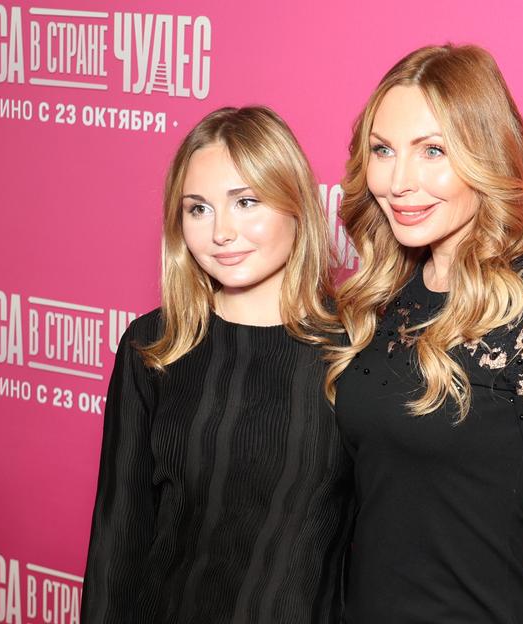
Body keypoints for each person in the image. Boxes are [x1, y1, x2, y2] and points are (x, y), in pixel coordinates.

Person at [327, 45, 523, 623]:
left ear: (484, 155)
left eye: (433, 151)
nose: (400, 181)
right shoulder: (381, 295)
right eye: (383, 150)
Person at [81, 106, 354, 624]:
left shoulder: (354, 351)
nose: (221, 232)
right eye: (198, 209)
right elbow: (119, 539)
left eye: (246, 202)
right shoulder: (155, 345)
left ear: (296, 204)